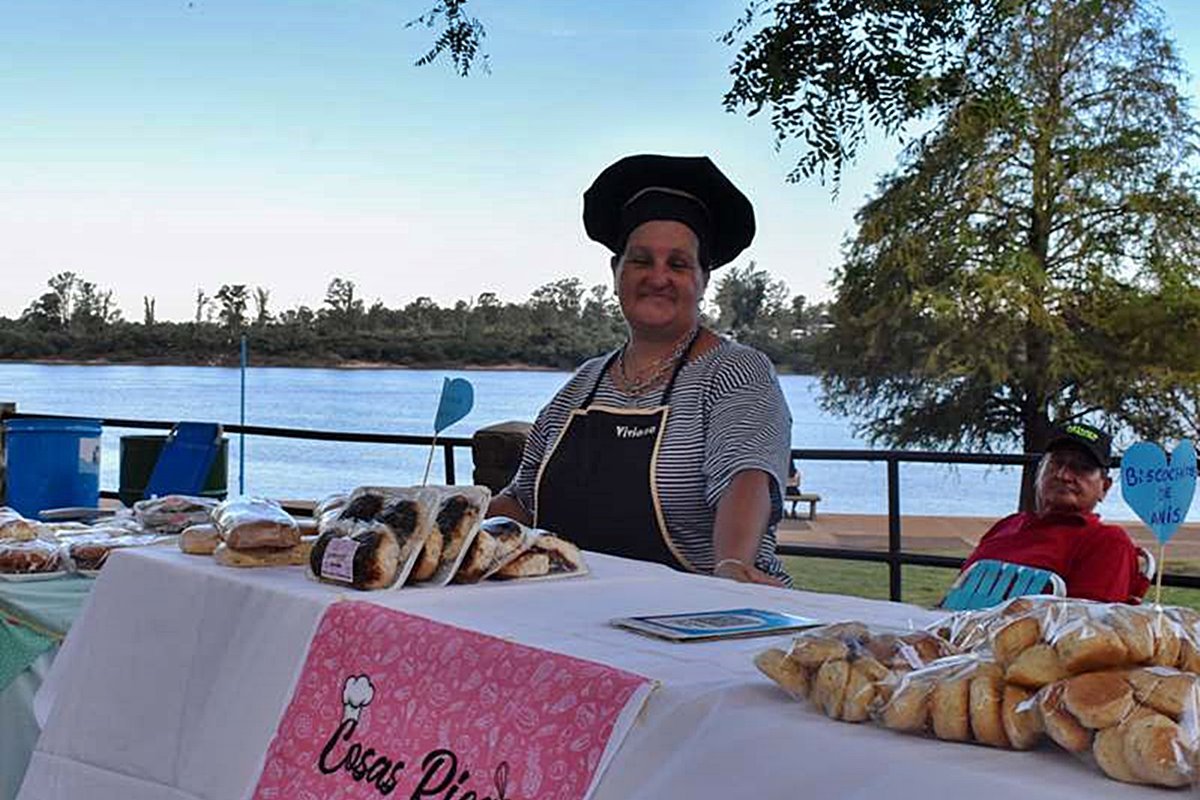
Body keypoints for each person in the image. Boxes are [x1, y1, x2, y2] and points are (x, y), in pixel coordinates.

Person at [486, 154, 793, 586]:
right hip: (575, 615)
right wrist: (438, 522)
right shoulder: (581, 387)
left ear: (704, 279)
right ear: (616, 272)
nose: (659, 276)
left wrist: (731, 566)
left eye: (679, 264)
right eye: (641, 260)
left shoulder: (735, 371)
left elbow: (744, 478)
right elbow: (521, 502)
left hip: (701, 615)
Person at [959, 422, 1150, 603]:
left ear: (1104, 488)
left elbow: (1086, 628)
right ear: (1039, 474)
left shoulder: (1106, 541)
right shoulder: (1008, 524)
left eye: (1081, 468)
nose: (1063, 475)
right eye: (1056, 464)